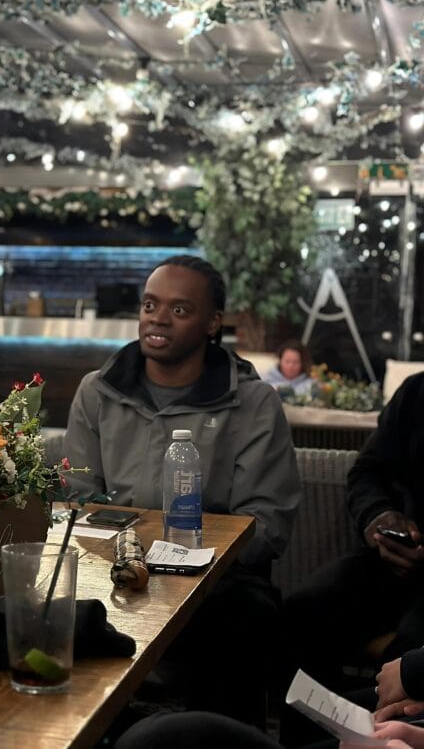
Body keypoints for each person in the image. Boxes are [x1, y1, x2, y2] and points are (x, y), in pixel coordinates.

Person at [63, 254, 300, 726]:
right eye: (149, 305)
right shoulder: (96, 391)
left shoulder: (253, 402)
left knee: (242, 619)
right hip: (111, 570)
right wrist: (128, 558)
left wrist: (181, 561)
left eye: (179, 309)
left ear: (212, 323)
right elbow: (77, 500)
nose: (157, 318)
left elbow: (267, 523)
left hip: (220, 584)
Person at [284, 370, 424, 692]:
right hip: (395, 562)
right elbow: (366, 472)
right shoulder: (416, 392)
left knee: (410, 653)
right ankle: (314, 724)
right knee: (301, 613)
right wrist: (380, 516)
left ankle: (377, 722)